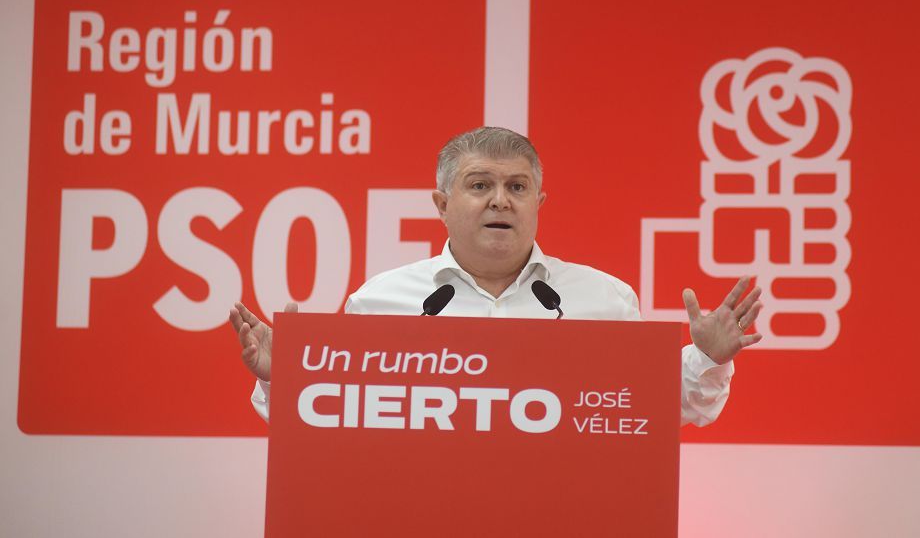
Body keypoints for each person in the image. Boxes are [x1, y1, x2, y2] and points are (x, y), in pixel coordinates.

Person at [229, 126, 762, 425]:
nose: (500, 200)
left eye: (518, 187)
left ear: (539, 202)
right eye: (479, 185)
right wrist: (284, 378)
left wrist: (708, 358)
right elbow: (330, 421)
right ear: (442, 203)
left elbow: (671, 412)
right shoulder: (381, 301)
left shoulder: (605, 300)